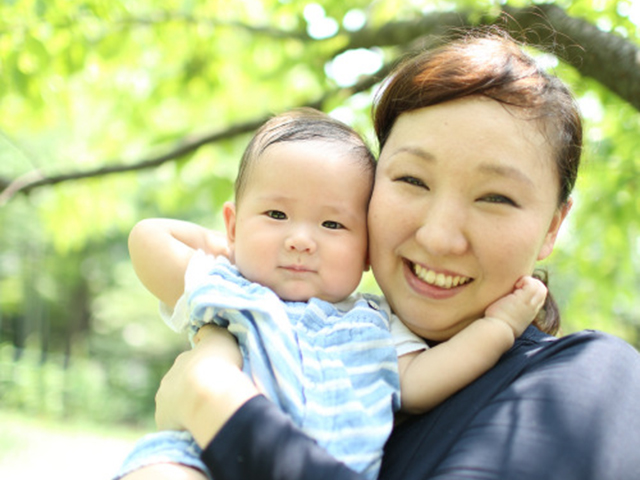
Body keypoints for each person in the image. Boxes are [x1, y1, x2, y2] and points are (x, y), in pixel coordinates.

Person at [146, 30, 640, 480]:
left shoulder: (593, 380)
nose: (440, 237)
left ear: (553, 225)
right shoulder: (309, 334)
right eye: (411, 180)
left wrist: (213, 400)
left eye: (495, 198)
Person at [117, 107, 546, 480]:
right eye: (276, 214)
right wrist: (228, 246)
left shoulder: (375, 324)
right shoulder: (230, 293)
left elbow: (420, 381)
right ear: (233, 224)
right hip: (199, 462)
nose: (301, 239)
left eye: (332, 225)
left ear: (365, 249)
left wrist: (500, 326)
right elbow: (147, 238)